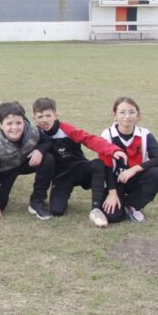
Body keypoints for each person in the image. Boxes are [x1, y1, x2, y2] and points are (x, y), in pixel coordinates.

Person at [32, 97, 127, 228]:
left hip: (80, 168)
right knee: (57, 211)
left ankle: (96, 209)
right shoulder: (35, 134)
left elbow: (89, 139)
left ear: (56, 115)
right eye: (40, 116)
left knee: (98, 164)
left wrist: (113, 150)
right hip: (62, 176)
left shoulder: (66, 129)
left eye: (48, 115)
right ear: (34, 119)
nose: (44, 119)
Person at [0, 101, 56, 221]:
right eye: (9, 123)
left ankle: (37, 201)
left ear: (24, 121)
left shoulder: (32, 130)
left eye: (18, 122)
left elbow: (47, 140)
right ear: (1, 125)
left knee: (48, 159)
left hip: (25, 162)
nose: (15, 127)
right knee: (0, 205)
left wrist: (40, 151)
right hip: (5, 169)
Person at [98, 97, 158, 223]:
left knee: (156, 174)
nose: (127, 116)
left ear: (138, 115)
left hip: (135, 179)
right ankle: (119, 199)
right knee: (113, 217)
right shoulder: (107, 135)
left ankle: (133, 204)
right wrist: (112, 193)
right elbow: (105, 166)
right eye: (122, 112)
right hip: (114, 182)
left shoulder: (144, 134)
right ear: (114, 115)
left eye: (131, 112)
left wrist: (133, 169)